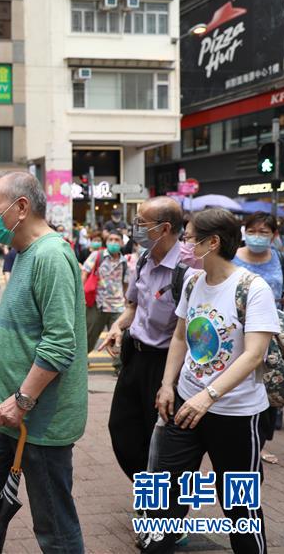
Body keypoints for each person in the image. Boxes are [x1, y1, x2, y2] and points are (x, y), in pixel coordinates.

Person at [0, 172, 87, 554]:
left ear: (22, 207)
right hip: (10, 418)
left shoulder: (51, 256)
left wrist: (22, 400)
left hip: (37, 421)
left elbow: (60, 343)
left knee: (54, 522)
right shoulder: (24, 254)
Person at [143, 208, 279, 554]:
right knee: (164, 495)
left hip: (235, 415)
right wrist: (168, 384)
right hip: (186, 405)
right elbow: (179, 336)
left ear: (212, 242)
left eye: (189, 238)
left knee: (240, 507)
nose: (184, 245)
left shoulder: (253, 289)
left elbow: (254, 355)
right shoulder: (193, 281)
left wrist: (209, 395)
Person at [102, 196, 187, 484]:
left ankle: (161, 497)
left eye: (141, 222)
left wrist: (169, 382)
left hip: (166, 363)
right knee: (121, 428)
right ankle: (147, 484)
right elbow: (132, 306)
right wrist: (117, 327)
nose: (135, 228)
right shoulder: (143, 259)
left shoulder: (188, 268)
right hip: (135, 357)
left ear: (164, 228)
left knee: (160, 435)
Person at [232, 211, 284, 465]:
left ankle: (260, 441)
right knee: (238, 383)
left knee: (268, 387)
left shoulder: (282, 260)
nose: (257, 236)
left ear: (274, 235)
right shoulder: (232, 257)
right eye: (252, 231)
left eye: (263, 232)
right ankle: (235, 437)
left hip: (272, 334)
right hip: (236, 330)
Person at [83, 232, 128, 361]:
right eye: (110, 239)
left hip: (117, 306)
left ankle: (118, 365)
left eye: (116, 240)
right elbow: (84, 273)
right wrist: (81, 295)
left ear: (122, 243)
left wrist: (126, 302)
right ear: (106, 242)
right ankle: (80, 361)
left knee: (118, 339)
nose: (113, 242)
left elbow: (125, 284)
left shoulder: (124, 261)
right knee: (89, 336)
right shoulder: (97, 255)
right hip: (98, 304)